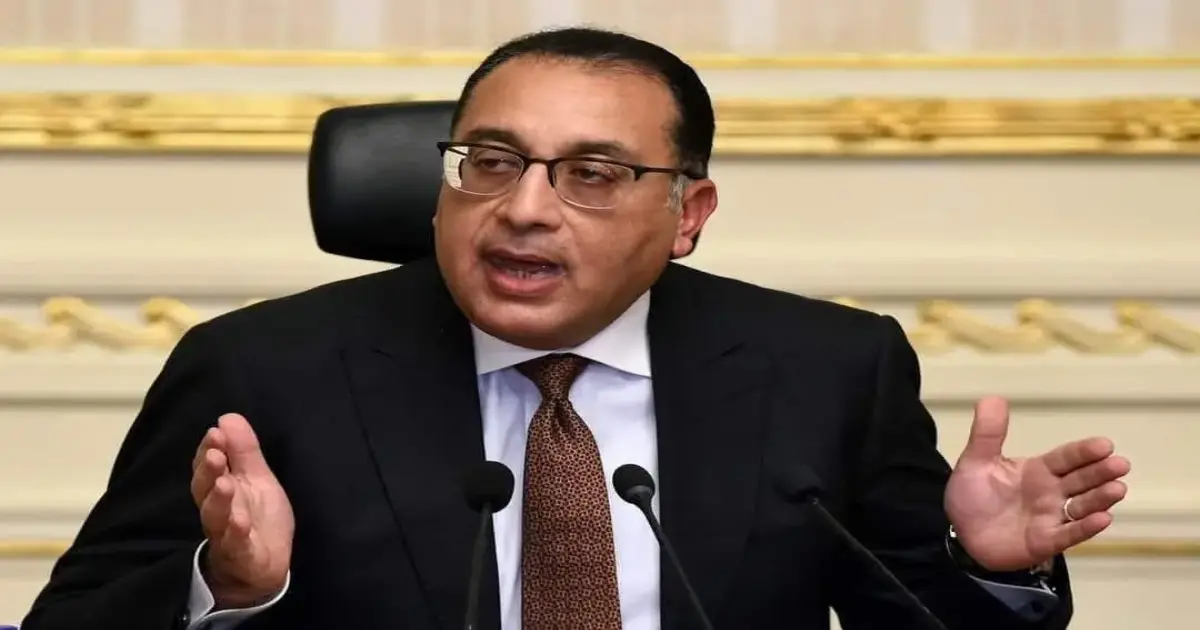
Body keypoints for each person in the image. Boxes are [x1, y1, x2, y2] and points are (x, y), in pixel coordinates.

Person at [22, 27, 1130, 630]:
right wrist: (229, 588)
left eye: (593, 173)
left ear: (687, 214)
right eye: (491, 161)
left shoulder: (827, 370)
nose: (525, 208)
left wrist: (986, 573)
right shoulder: (261, 371)